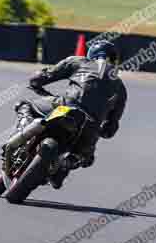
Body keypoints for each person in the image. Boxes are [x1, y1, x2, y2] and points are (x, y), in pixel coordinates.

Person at [10, 40, 127, 189]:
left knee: (24, 104)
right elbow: (111, 128)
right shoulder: (120, 86)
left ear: (91, 54)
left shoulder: (79, 61)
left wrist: (36, 83)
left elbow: (43, 76)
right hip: (90, 127)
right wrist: (101, 131)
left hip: (64, 107)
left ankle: (23, 128)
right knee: (86, 157)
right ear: (114, 60)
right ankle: (66, 164)